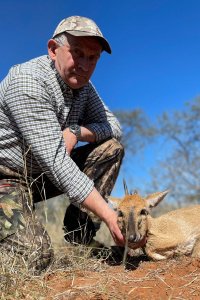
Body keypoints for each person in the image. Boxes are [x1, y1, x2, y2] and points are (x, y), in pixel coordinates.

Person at [0, 16, 125, 274]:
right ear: (53, 49)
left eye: (93, 58)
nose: (84, 65)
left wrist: (76, 131)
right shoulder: (27, 82)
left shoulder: (84, 88)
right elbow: (58, 163)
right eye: (77, 53)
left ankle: (80, 236)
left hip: (40, 176)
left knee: (110, 149)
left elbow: (114, 127)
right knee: (35, 257)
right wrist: (110, 215)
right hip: (6, 179)